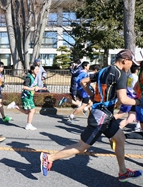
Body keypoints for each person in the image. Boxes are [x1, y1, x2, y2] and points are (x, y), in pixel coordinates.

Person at [40, 49, 143, 182]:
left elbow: (83, 82)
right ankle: (49, 158)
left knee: (120, 139)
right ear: (124, 61)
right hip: (101, 117)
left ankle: (123, 172)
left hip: (104, 115)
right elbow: (123, 99)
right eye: (131, 63)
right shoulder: (120, 74)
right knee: (82, 147)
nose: (132, 66)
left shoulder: (104, 70)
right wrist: (139, 101)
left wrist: (91, 95)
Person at [7, 64, 47, 130]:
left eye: (38, 69)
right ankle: (28, 125)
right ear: (32, 70)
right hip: (26, 96)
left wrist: (42, 88)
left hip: (30, 96)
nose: (38, 70)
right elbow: (24, 87)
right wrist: (33, 89)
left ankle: (15, 106)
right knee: (32, 110)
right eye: (36, 69)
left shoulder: (35, 77)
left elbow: (35, 87)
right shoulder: (29, 77)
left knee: (27, 112)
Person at [114, 64, 140, 130]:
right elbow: (135, 88)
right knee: (120, 114)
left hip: (129, 95)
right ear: (136, 70)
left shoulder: (129, 76)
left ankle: (118, 129)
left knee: (131, 116)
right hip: (131, 97)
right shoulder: (136, 78)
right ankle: (105, 124)